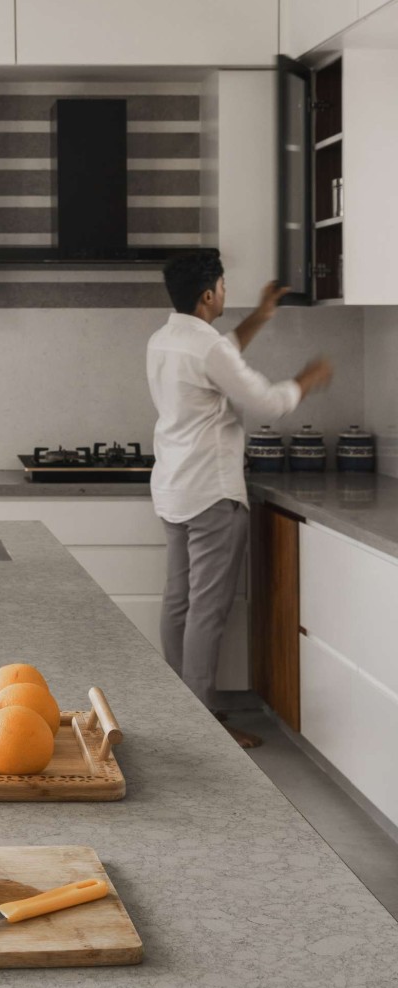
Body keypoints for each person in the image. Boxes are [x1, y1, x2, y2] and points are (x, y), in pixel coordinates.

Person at [147, 251, 333, 747]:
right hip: (211, 492)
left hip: (174, 486)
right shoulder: (206, 348)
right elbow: (266, 400)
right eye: (225, 287)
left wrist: (261, 316)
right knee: (206, 610)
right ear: (209, 294)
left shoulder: (165, 338)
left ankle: (183, 711)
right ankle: (204, 724)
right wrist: (305, 381)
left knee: (179, 603)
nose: (226, 294)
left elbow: (219, 355)